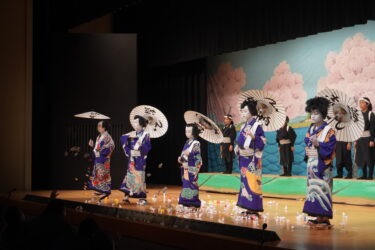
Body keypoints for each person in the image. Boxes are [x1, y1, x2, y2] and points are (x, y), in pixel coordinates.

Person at [303, 97, 336, 227]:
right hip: (311, 164)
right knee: (312, 190)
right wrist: (310, 145)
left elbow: (330, 148)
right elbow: (306, 140)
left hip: (322, 165)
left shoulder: (329, 130)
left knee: (323, 189)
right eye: (311, 113)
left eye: (316, 113)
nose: (313, 116)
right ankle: (317, 216)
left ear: (323, 115)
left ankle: (325, 218)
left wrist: (318, 144)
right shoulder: (311, 128)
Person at [235, 98, 266, 218]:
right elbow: (241, 141)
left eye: (245, 111)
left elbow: (263, 142)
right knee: (245, 183)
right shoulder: (244, 126)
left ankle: (254, 209)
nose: (243, 114)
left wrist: (254, 137)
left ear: (252, 112)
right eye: (242, 111)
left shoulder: (257, 125)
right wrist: (238, 147)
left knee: (252, 182)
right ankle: (247, 207)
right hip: (243, 158)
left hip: (252, 159)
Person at [119, 115, 151, 205]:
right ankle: (127, 195)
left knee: (139, 176)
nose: (134, 124)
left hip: (140, 159)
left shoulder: (146, 134)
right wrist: (128, 140)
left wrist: (140, 145)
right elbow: (122, 138)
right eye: (134, 122)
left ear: (141, 124)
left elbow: (147, 147)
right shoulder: (132, 133)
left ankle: (141, 196)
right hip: (132, 158)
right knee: (130, 175)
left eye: (136, 122)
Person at [88, 120, 115, 201]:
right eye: (98, 125)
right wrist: (92, 146)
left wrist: (102, 152)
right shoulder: (99, 136)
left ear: (104, 127)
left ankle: (105, 191)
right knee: (98, 174)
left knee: (104, 175)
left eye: (100, 125)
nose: (98, 127)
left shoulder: (107, 136)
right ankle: (100, 190)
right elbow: (97, 148)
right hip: (98, 158)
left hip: (104, 159)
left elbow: (112, 146)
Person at [177, 123, 202, 209]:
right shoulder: (187, 142)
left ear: (194, 132)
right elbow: (184, 153)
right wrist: (180, 159)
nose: (186, 133)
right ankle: (185, 201)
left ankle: (193, 202)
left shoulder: (196, 142)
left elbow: (197, 156)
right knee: (186, 184)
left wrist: (190, 154)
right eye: (186, 131)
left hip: (192, 166)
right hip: (185, 166)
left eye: (189, 131)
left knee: (191, 184)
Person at [355, 97, 375, 180]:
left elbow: (373, 128)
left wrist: (371, 140)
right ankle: (364, 175)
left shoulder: (371, 114)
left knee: (369, 157)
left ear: (367, 104)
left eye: (363, 102)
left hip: (368, 138)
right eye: (360, 102)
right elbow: (356, 128)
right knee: (361, 157)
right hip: (360, 138)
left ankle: (370, 175)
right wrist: (356, 140)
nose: (361, 104)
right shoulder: (358, 115)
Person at [333, 106, 353, 179]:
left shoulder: (348, 123)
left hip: (345, 142)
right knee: (338, 159)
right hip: (338, 143)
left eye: (341, 113)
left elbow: (350, 134)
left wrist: (349, 143)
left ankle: (350, 174)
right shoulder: (335, 124)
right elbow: (334, 135)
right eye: (338, 113)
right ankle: (339, 174)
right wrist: (334, 144)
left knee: (347, 158)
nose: (339, 114)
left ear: (344, 114)